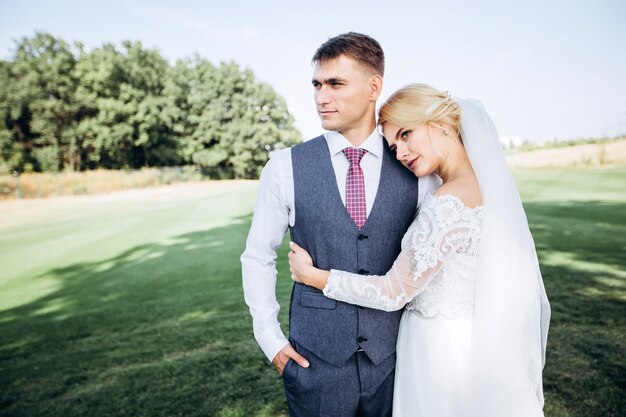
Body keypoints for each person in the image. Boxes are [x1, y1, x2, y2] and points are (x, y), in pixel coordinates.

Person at [288, 84, 551, 417]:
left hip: (441, 351)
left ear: (441, 123)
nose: (400, 153)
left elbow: (393, 292)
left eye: (406, 134)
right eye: (393, 145)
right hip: (468, 341)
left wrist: (315, 276)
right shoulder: (480, 188)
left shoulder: (449, 202)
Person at [241, 33, 439, 416]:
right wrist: (270, 340)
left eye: (335, 84)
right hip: (314, 365)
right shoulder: (284, 167)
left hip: (395, 362)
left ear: (373, 87)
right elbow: (257, 256)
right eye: (317, 84)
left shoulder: (415, 166)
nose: (321, 96)